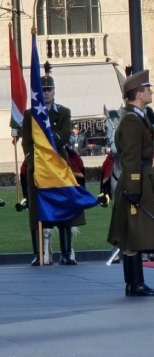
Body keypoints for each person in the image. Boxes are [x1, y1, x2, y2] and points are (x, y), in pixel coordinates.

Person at [107, 70, 154, 297]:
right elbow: (130, 158)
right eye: (148, 88)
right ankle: (135, 283)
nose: (150, 91)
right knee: (134, 233)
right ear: (139, 94)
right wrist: (133, 188)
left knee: (133, 234)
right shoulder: (132, 121)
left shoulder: (138, 116)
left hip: (141, 177)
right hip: (136, 179)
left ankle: (134, 282)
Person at [22, 66, 86, 266]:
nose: (47, 93)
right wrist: (33, 161)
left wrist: (46, 140)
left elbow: (64, 136)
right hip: (39, 167)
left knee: (65, 209)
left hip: (58, 166)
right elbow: (27, 142)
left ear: (54, 91)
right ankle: (38, 252)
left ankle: (66, 253)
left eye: (49, 89)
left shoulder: (64, 112)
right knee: (37, 211)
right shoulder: (30, 115)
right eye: (44, 90)